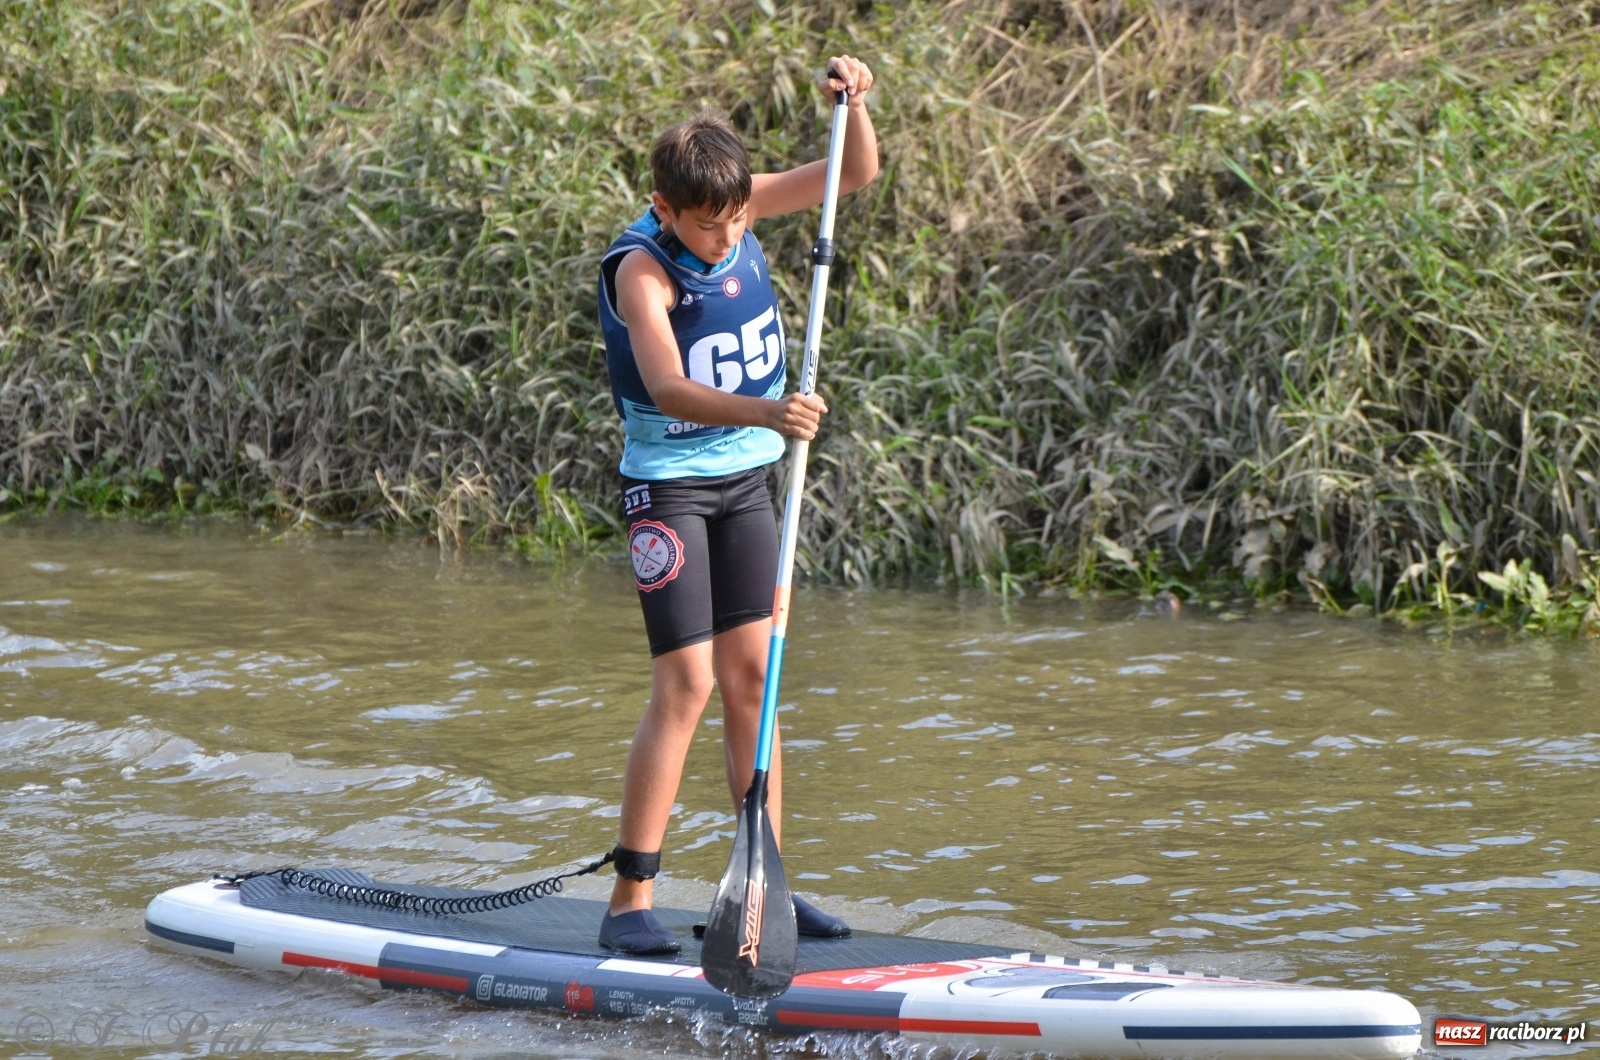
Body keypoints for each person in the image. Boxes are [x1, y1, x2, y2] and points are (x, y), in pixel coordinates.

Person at [594, 55, 880, 955]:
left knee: (754, 684)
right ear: (665, 204)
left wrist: (856, 107)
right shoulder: (641, 269)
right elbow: (670, 387)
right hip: (668, 491)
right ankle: (629, 904)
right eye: (711, 228)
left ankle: (766, 893)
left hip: (747, 485)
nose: (729, 238)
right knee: (685, 683)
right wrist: (768, 410)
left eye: (739, 220)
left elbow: (854, 173)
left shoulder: (735, 200)